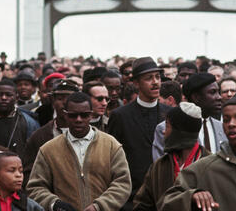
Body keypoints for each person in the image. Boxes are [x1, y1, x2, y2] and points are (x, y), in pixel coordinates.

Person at [27, 92, 131, 211]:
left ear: (91, 115)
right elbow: (35, 187)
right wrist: (54, 204)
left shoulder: (111, 145)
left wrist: (99, 206)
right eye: (73, 115)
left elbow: (122, 183)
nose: (78, 119)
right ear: (65, 115)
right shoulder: (48, 150)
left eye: (84, 115)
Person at [107, 57, 169, 210]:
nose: (155, 82)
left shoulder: (170, 114)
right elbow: (113, 158)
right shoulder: (120, 116)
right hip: (131, 199)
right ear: (136, 83)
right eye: (149, 78)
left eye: (157, 77)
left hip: (165, 196)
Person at [134, 102, 210, 211]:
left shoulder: (210, 165)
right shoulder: (159, 166)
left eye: (168, 126)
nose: (164, 131)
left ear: (179, 132)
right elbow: (142, 204)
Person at [21, 79, 79, 185]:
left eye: (69, 99)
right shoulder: (40, 136)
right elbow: (29, 175)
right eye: (60, 99)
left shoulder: (91, 134)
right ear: (53, 102)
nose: (64, 103)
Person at [0, 79, 40, 156]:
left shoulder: (29, 122)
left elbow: (33, 152)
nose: (4, 98)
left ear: (16, 98)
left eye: (8, 95)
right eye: (0, 94)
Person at [182, 73, 227, 154]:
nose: (219, 97)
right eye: (213, 92)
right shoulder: (173, 128)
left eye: (218, 92)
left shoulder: (221, 127)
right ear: (196, 97)